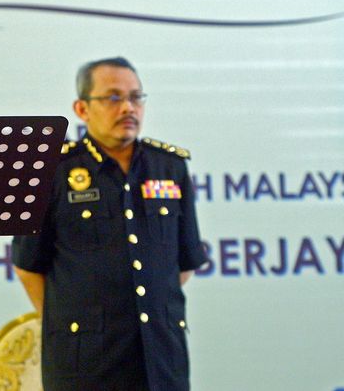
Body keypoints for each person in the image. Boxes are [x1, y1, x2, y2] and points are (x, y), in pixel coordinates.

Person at [12, 57, 207, 391]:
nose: (128, 108)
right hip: (85, 359)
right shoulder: (52, 171)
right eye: (114, 98)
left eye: (136, 97)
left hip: (160, 353)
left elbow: (183, 263)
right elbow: (28, 264)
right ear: (82, 109)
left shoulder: (169, 167)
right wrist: (73, 318)